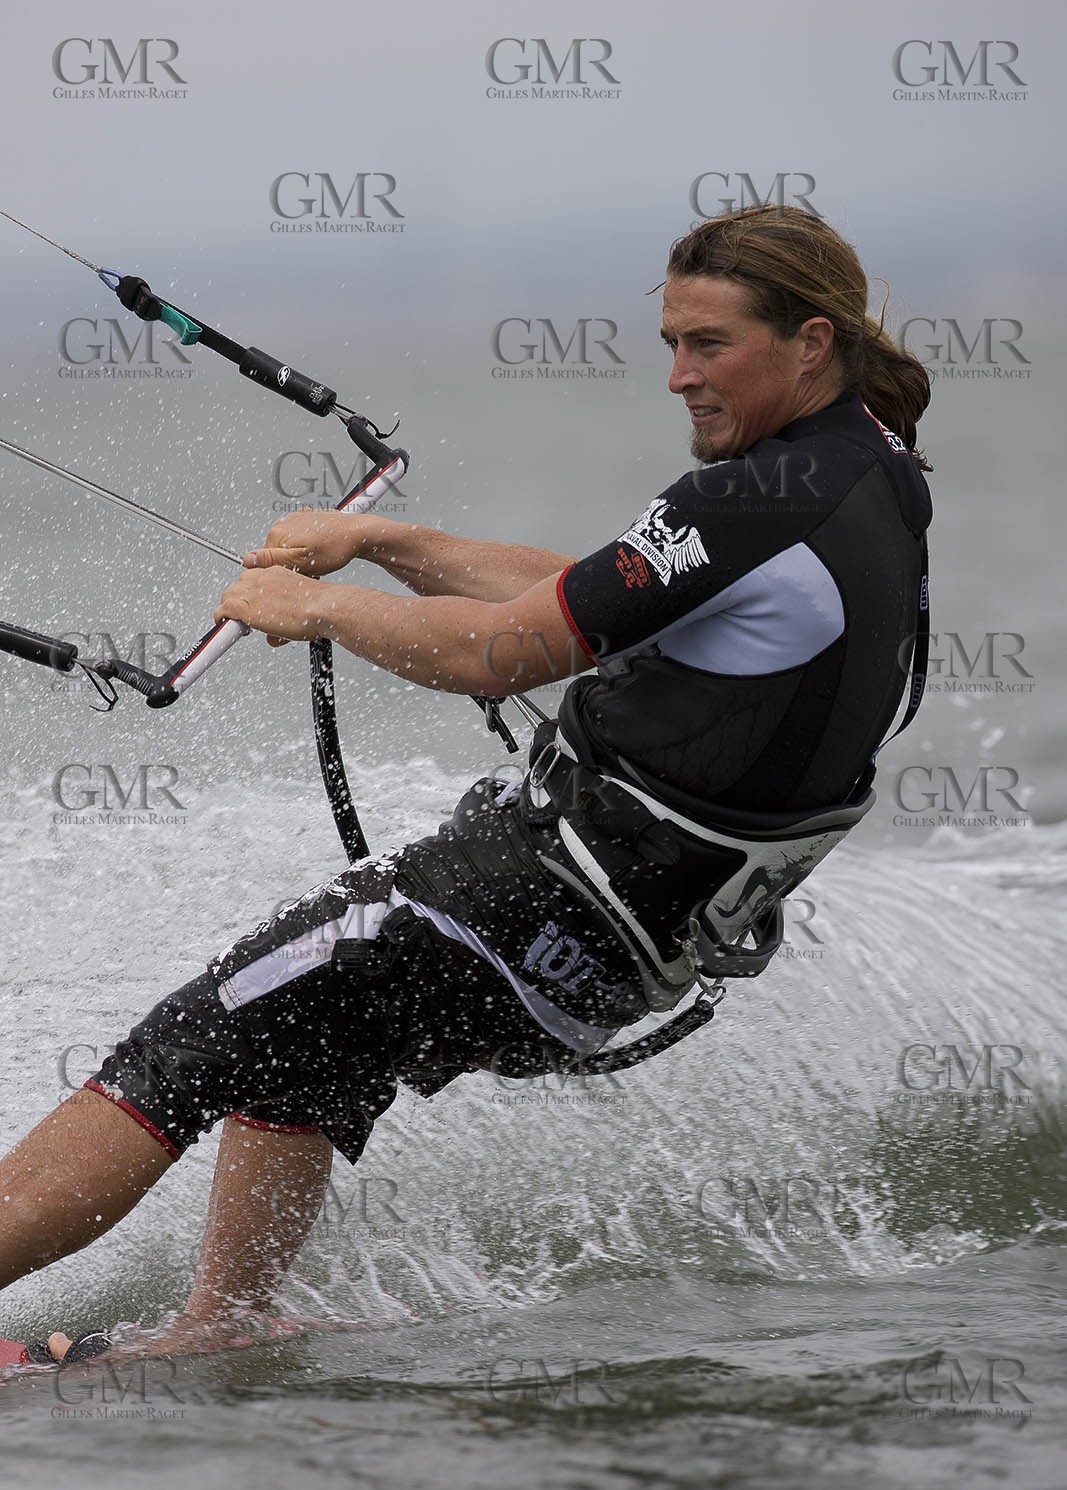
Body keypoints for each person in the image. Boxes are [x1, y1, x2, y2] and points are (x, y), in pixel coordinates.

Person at [0, 205, 932, 1364]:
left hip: (531, 898)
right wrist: (386, 545)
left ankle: (212, 1317)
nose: (678, 376)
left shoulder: (751, 502)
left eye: (707, 345)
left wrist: (318, 606)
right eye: (670, 344)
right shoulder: (869, 472)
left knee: (189, 1044)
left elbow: (493, 654)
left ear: (809, 340)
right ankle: (220, 1328)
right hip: (616, 944)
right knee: (314, 1026)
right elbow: (588, 592)